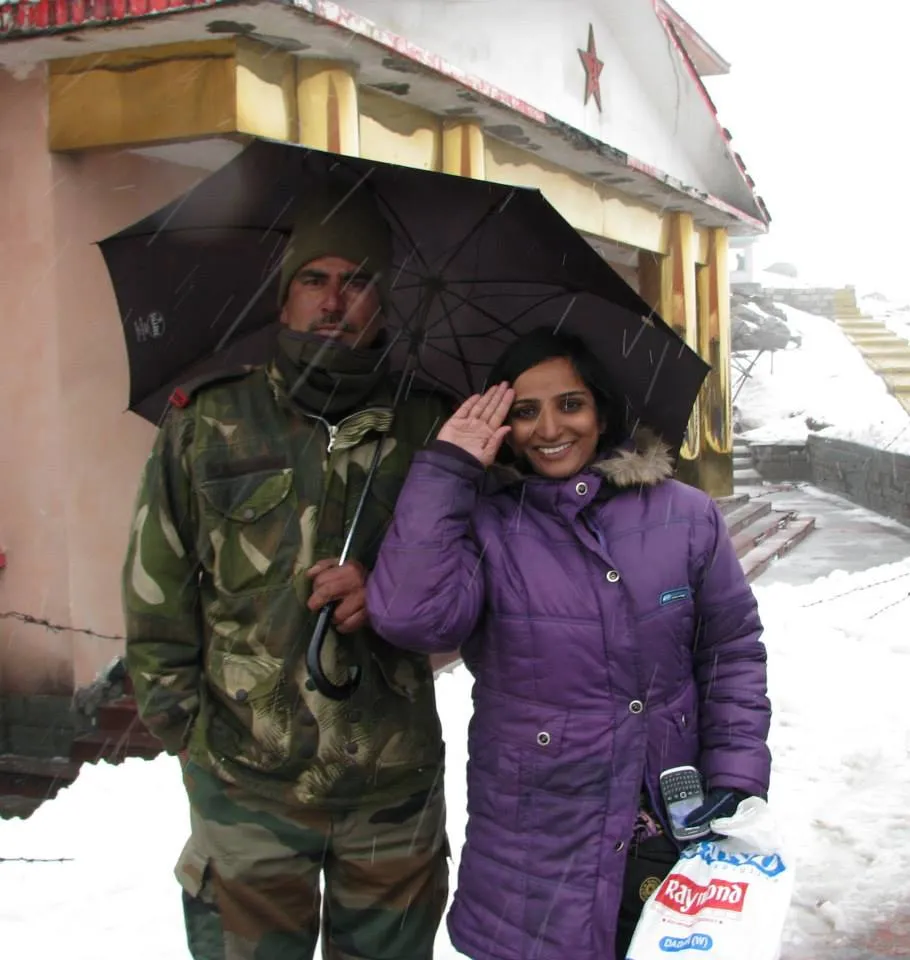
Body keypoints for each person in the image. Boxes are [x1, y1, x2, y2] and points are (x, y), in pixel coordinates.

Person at [366, 328, 772, 960]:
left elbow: (730, 649)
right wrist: (447, 469)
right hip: (534, 831)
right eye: (524, 411)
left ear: (601, 410)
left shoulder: (684, 516)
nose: (549, 427)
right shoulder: (486, 523)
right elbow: (411, 619)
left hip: (668, 819)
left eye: (570, 404)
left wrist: (736, 770)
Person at [122, 185, 450, 960]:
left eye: (359, 280)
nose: (335, 300)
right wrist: (186, 733)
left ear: (385, 299)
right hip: (246, 787)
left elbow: (484, 578)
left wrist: (393, 591)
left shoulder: (435, 427)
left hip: (391, 787)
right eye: (315, 278)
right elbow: (156, 587)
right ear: (286, 296)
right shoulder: (209, 422)